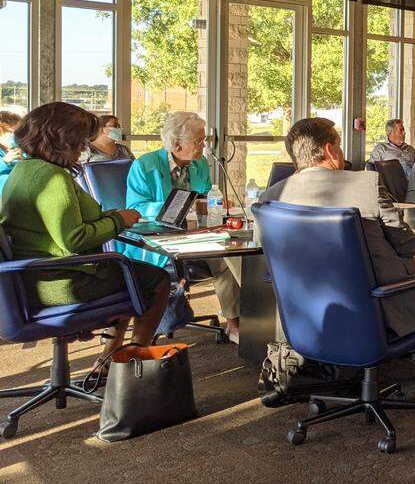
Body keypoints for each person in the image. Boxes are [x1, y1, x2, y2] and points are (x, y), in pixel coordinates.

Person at [260, 118, 415, 399]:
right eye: (339, 144)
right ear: (330, 150)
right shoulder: (366, 185)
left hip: (308, 314)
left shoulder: (271, 199)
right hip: (377, 305)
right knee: (409, 269)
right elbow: (404, 242)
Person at [0, 103, 171, 364]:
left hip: (30, 278)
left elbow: (55, 222)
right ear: (63, 140)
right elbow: (74, 239)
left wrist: (106, 217)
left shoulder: (23, 169)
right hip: (59, 282)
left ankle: (109, 359)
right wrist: (117, 220)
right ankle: (132, 362)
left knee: (125, 273)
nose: (83, 148)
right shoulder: (53, 178)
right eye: (80, 141)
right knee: (155, 279)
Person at [126, 111, 242, 339]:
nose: (204, 145)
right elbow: (136, 207)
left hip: (196, 235)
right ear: (177, 144)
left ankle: (235, 322)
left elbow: (206, 196)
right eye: (199, 141)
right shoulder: (144, 166)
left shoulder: (200, 166)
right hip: (159, 240)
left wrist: (213, 201)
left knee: (230, 255)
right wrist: (174, 206)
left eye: (204, 139)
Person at [0, 111, 23, 195]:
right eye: (12, 132)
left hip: (18, 190)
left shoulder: (19, 148)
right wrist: (4, 161)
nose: (16, 136)